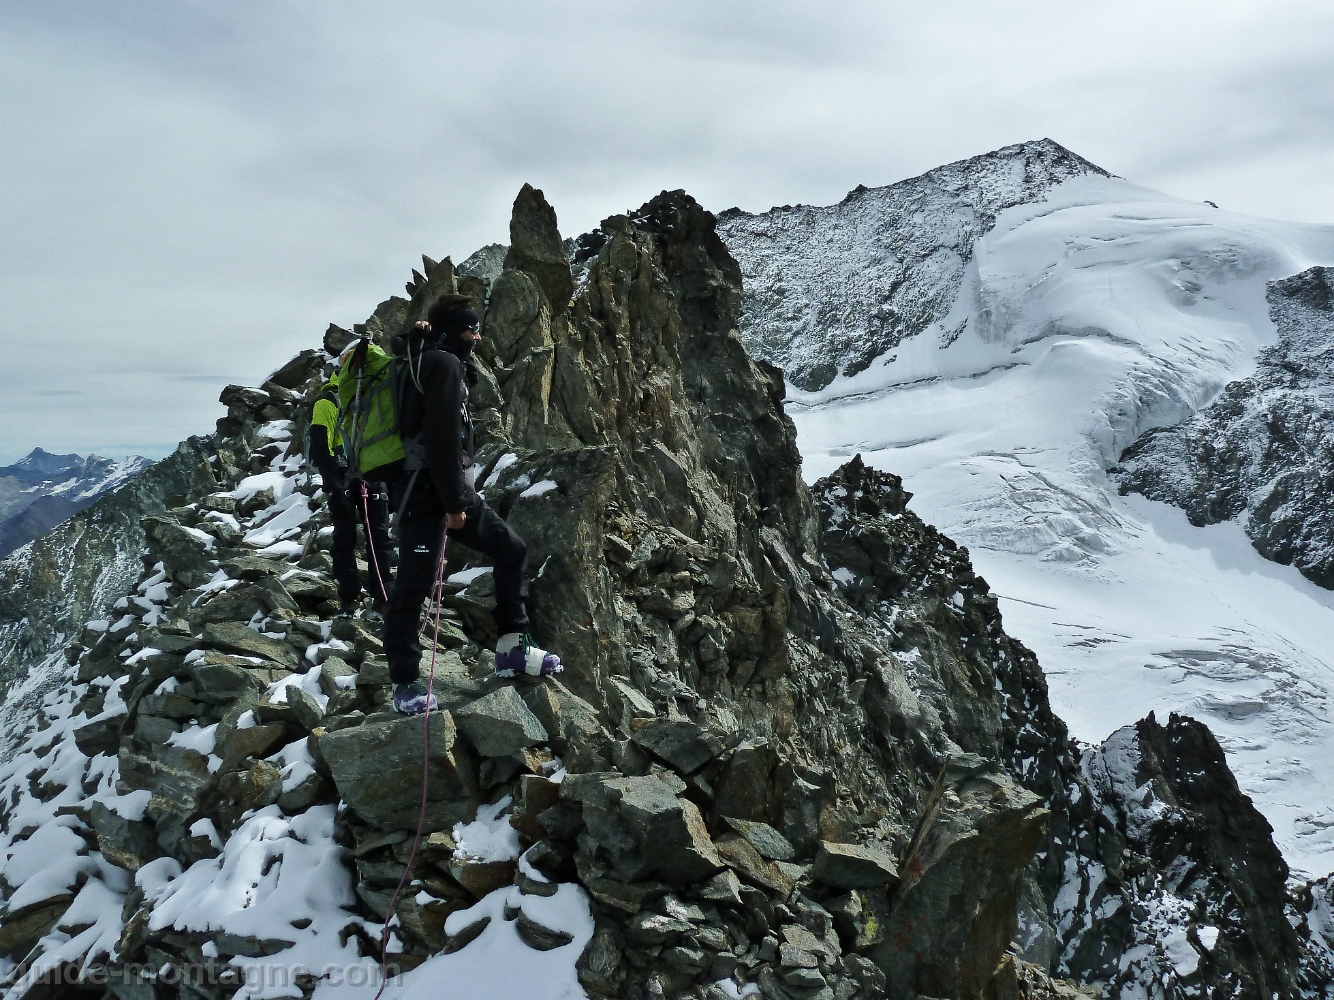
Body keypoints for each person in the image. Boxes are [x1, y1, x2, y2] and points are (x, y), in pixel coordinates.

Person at [383, 293, 561, 715]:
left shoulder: (430, 360)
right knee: (414, 584)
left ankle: (513, 649)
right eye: (470, 329)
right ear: (449, 332)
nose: (477, 337)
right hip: (427, 494)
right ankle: (406, 683)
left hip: (439, 489)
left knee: (510, 548)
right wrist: (454, 504)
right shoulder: (441, 364)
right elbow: (442, 439)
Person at [307, 368, 392, 617]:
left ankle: (353, 596)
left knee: (348, 538)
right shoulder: (333, 402)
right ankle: (378, 596)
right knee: (376, 536)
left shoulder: (336, 402)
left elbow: (321, 448)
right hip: (364, 474)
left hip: (347, 475)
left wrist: (335, 487)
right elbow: (321, 448)